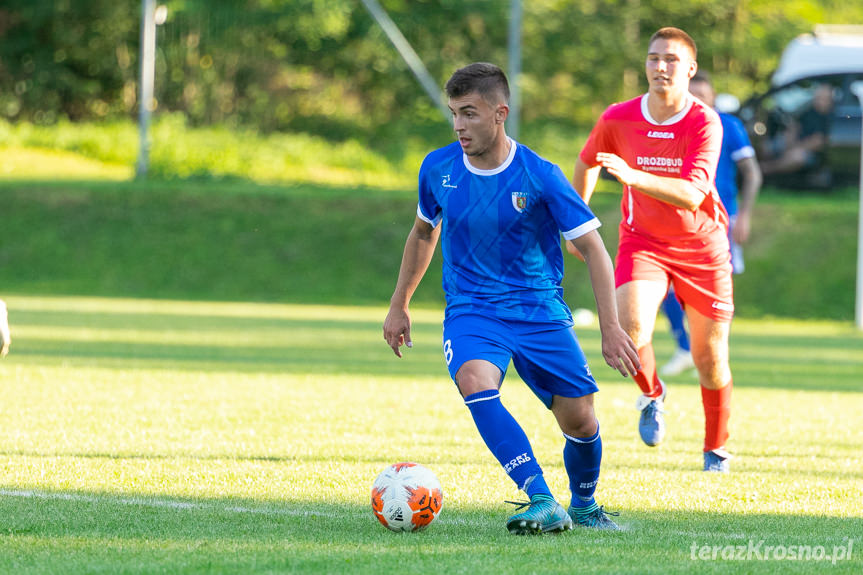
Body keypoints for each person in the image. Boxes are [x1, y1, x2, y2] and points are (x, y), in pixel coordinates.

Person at [383, 62, 640, 534]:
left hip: (539, 311)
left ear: (499, 113)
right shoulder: (437, 168)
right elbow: (423, 232)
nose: (459, 125)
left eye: (470, 114)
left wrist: (610, 327)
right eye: (454, 114)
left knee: (581, 421)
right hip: (473, 310)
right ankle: (540, 497)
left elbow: (594, 250)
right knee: (475, 380)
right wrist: (400, 303)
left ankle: (583, 506)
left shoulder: (540, 175)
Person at [568, 27, 735, 472]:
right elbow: (587, 161)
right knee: (632, 327)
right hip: (643, 241)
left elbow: (694, 193)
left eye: (672, 60)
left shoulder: (705, 121)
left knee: (709, 359)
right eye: (653, 58)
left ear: (691, 69)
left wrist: (634, 176)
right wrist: (574, 221)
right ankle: (652, 394)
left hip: (703, 248)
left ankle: (715, 448)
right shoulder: (618, 117)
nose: (661, 67)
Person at [658, 71, 762, 377]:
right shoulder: (671, 127)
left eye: (704, 96)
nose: (698, 102)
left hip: (719, 220)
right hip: (676, 220)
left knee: (712, 292)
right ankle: (684, 347)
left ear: (713, 98)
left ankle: (714, 354)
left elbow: (752, 172)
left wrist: (744, 215)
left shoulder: (728, 126)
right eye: (693, 95)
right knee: (664, 287)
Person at [760, 83, 833, 178]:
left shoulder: (829, 117)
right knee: (767, 147)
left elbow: (818, 142)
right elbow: (795, 126)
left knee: (796, 157)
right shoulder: (809, 112)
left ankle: (765, 170)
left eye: (823, 99)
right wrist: (789, 138)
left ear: (830, 101)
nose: (819, 102)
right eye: (818, 98)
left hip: (809, 152)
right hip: (795, 144)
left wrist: (795, 147)